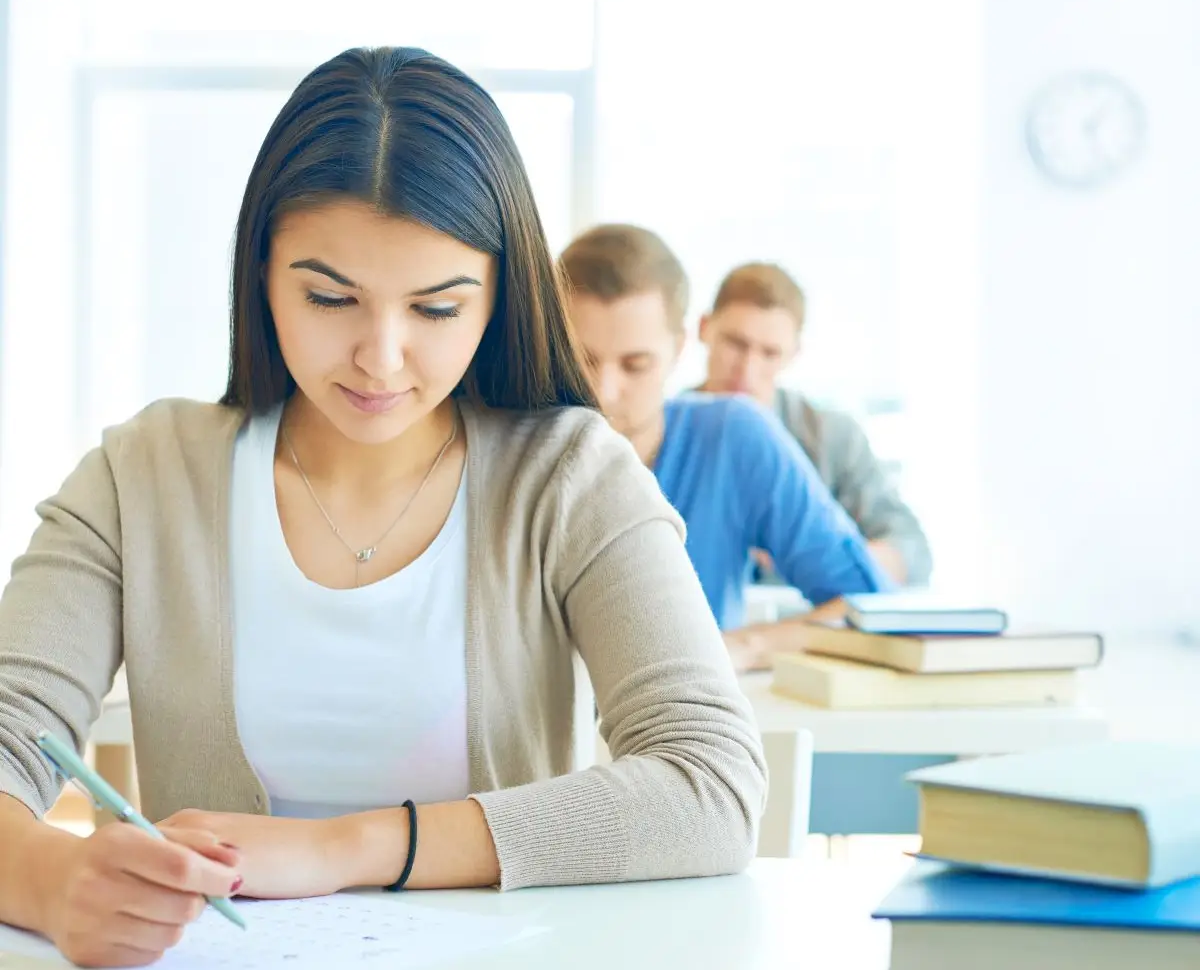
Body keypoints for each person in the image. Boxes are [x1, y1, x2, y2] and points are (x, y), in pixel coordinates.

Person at [0, 48, 765, 968]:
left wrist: (344, 848)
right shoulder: (142, 477)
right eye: (330, 297)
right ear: (261, 275)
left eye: (437, 309)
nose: (382, 358)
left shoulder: (570, 478)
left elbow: (710, 782)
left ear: (498, 299)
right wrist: (52, 880)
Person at [561, 224, 893, 668]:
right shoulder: (503, 443)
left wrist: (740, 647)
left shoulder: (734, 438)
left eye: (635, 365)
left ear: (679, 348)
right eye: (581, 359)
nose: (603, 392)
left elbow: (871, 610)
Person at [698, 262, 932, 585]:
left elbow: (912, 550)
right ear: (703, 329)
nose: (747, 369)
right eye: (735, 344)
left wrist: (824, 555)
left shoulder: (834, 438)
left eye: (770, 353)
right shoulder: (658, 430)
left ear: (794, 353)